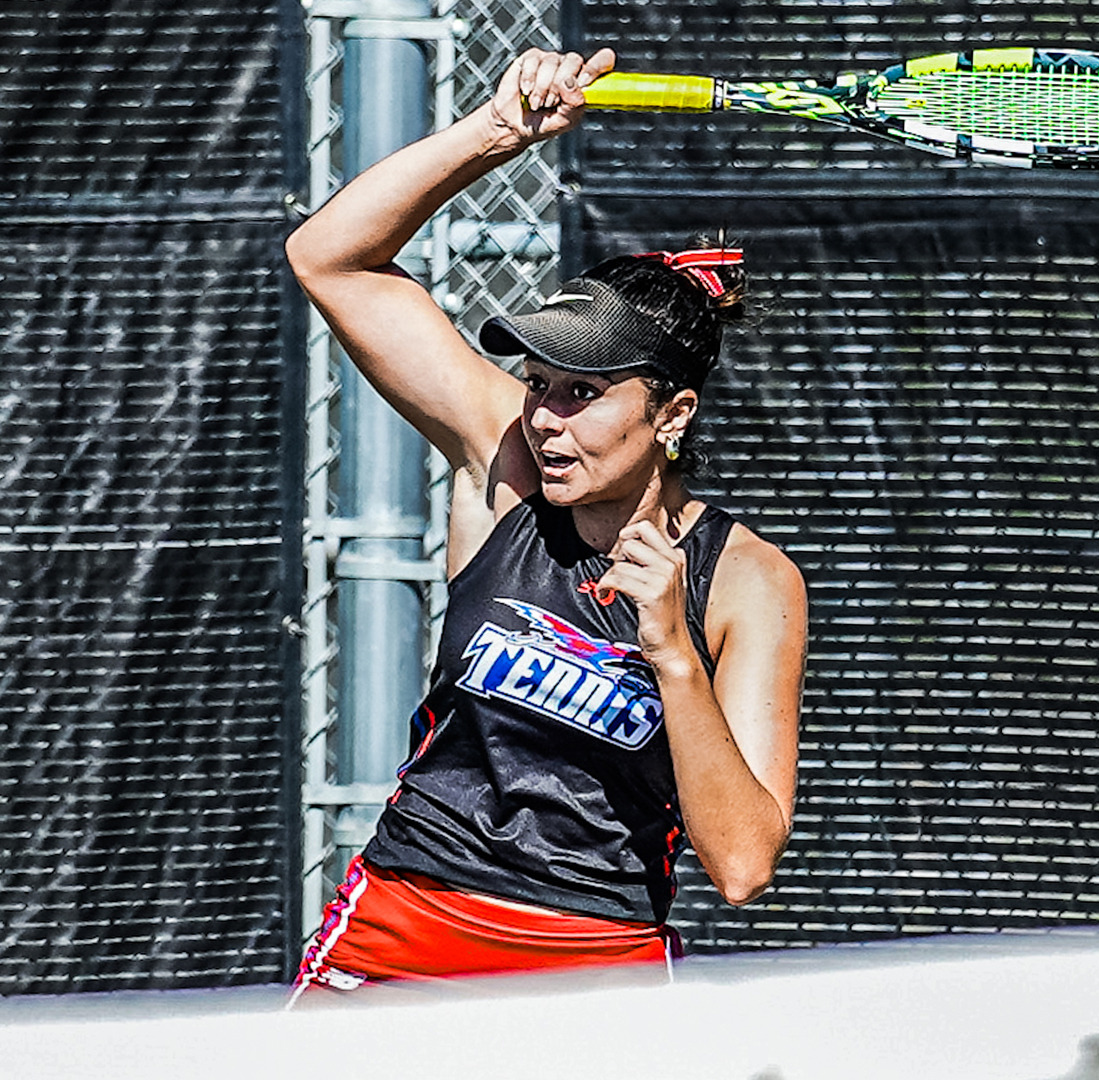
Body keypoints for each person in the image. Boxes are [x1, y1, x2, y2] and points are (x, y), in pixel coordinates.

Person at [284, 46, 808, 1000]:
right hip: (405, 925)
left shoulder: (745, 580)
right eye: (540, 387)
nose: (547, 419)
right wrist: (497, 134)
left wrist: (673, 655)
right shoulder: (509, 470)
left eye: (586, 395)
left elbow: (742, 865)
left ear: (673, 414)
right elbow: (329, 259)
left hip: (592, 967)